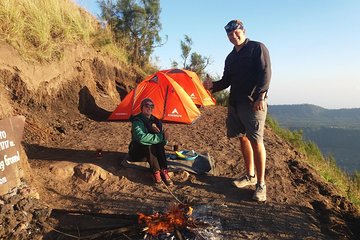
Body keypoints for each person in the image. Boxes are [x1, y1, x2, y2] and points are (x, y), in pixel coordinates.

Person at [203, 20, 271, 201]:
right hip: (235, 103)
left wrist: (261, 97)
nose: (234, 36)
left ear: (243, 31)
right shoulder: (230, 57)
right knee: (243, 138)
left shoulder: (257, 48)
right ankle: (250, 175)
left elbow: (266, 73)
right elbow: (226, 81)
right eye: (230, 34)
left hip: (253, 104)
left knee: (257, 141)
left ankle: (261, 184)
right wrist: (212, 86)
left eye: (236, 32)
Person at [128, 98, 173, 186]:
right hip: (138, 152)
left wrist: (165, 138)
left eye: (152, 106)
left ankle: (163, 170)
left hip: (151, 155)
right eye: (147, 106)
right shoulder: (137, 121)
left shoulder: (156, 121)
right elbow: (141, 138)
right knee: (149, 144)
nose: (149, 108)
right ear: (142, 108)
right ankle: (156, 171)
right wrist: (160, 137)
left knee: (158, 143)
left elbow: (161, 142)